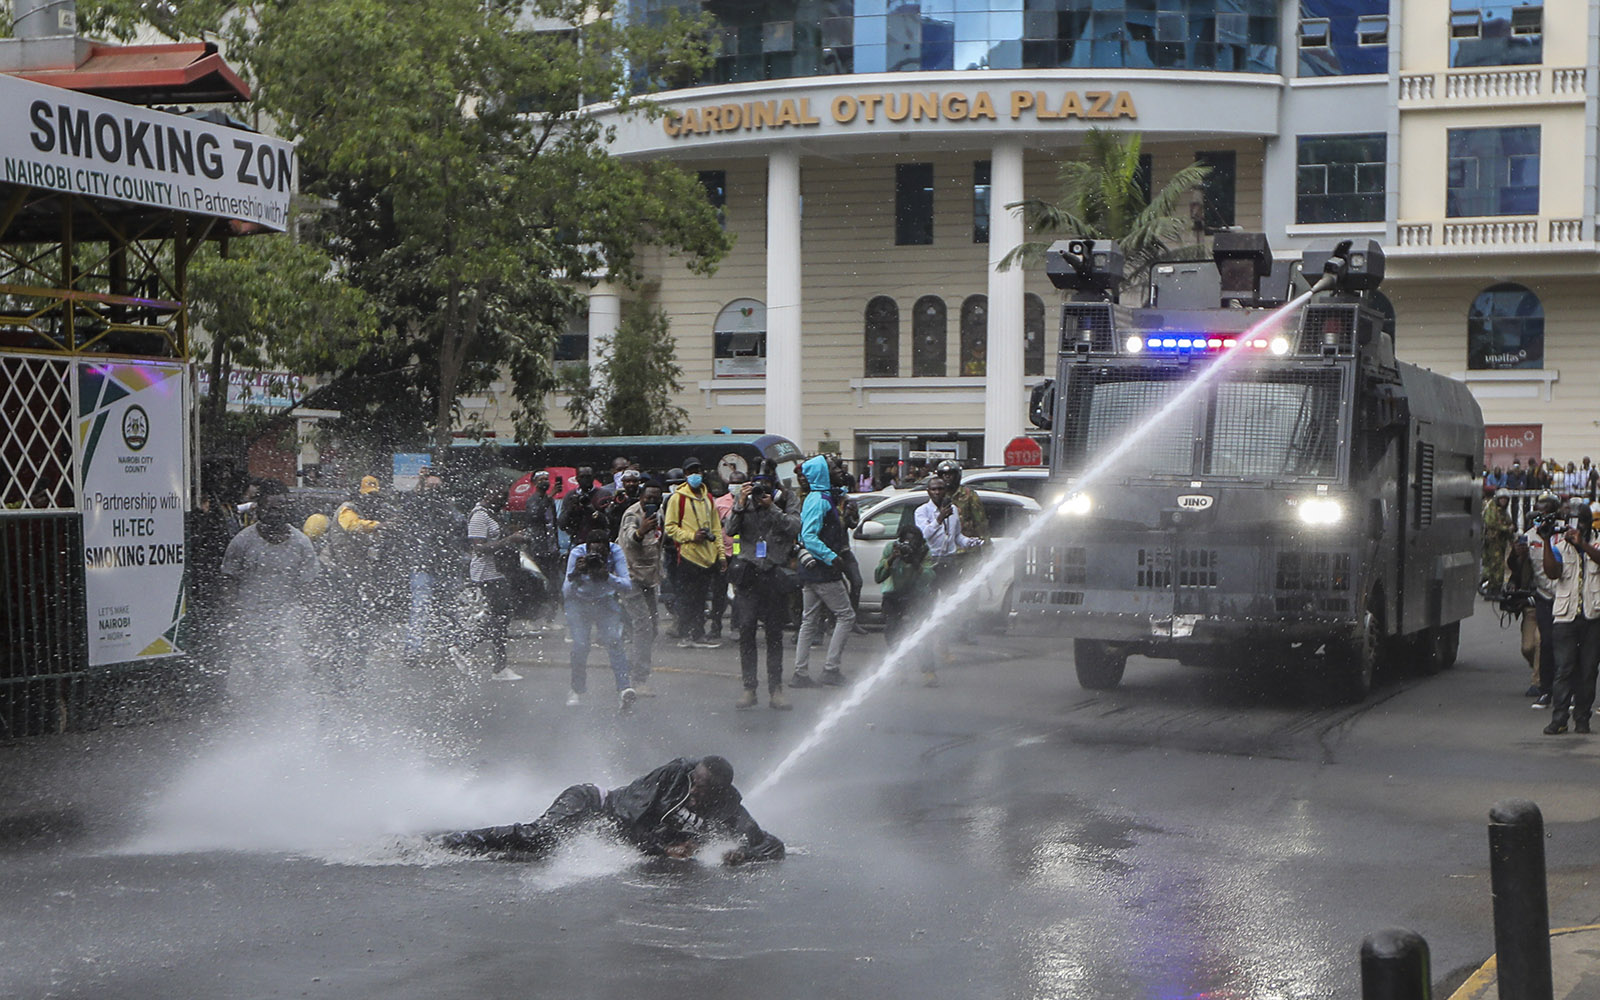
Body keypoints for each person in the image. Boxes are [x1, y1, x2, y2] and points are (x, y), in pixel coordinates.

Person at [434, 756, 783, 865]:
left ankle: (478, 849)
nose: (692, 792)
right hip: (591, 804)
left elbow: (771, 845)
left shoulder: (729, 807)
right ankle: (449, 841)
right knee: (538, 837)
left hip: (607, 829)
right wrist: (664, 848)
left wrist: (742, 854)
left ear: (719, 793)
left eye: (702, 790)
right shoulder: (670, 776)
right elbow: (627, 824)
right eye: (693, 782)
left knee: (534, 855)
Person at [218, 480, 320, 684]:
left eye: (281, 507)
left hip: (287, 621)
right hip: (250, 620)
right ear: (258, 508)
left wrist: (311, 626)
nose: (276, 513)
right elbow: (228, 580)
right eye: (270, 507)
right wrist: (233, 616)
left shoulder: (301, 544)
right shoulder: (242, 541)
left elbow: (309, 588)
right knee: (253, 675)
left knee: (287, 673)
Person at [725, 478, 800, 709]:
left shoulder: (785, 500)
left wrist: (772, 507)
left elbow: (794, 527)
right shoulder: (744, 503)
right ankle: (749, 688)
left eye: (764, 490)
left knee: (774, 634)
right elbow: (729, 530)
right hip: (749, 575)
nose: (760, 494)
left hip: (773, 573)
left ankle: (776, 689)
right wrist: (740, 503)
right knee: (746, 629)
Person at [791, 455, 856, 688]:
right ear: (821, 474)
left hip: (811, 570)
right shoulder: (820, 500)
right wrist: (832, 557)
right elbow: (808, 536)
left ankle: (800, 672)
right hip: (823, 570)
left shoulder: (816, 497)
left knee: (808, 621)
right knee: (846, 616)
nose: (836, 470)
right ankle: (831, 668)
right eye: (830, 468)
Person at [563, 524, 636, 711]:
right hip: (579, 602)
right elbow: (565, 591)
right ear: (586, 548)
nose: (596, 556)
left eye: (601, 553)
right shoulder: (576, 553)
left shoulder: (616, 551)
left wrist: (607, 576)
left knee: (614, 641)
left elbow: (627, 585)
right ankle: (576, 688)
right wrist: (577, 573)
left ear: (608, 549)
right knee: (580, 645)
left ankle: (624, 689)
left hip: (605, 601)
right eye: (592, 552)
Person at [1541, 502, 1600, 735]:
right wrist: (1546, 541)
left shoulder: (1595, 542)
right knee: (1564, 669)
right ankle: (1559, 718)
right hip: (1565, 617)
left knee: (1587, 671)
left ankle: (1582, 718)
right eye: (1571, 522)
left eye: (1580, 522)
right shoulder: (1559, 544)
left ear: (1588, 524)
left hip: (1593, 617)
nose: (1575, 526)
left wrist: (1582, 544)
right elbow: (1552, 572)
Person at [400, 472, 466, 665]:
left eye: (437, 487)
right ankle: (413, 650)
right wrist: (420, 487)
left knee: (449, 608)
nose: (434, 492)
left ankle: (454, 645)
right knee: (420, 609)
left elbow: (461, 527)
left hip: (445, 566)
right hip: (423, 566)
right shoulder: (418, 507)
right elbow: (408, 505)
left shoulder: (449, 510)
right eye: (431, 487)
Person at [463, 483, 526, 681]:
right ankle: (464, 644)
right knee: (500, 616)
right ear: (490, 494)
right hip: (485, 574)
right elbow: (479, 548)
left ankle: (499, 665)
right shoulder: (479, 516)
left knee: (502, 616)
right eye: (502, 496)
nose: (504, 501)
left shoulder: (490, 514)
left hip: (497, 572)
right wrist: (510, 540)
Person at [663, 456, 726, 649]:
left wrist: (721, 555)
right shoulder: (677, 499)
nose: (695, 475)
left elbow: (716, 529)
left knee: (701, 598)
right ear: (685, 475)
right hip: (689, 556)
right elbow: (670, 527)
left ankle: (698, 633)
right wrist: (691, 536)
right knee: (688, 598)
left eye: (697, 471)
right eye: (691, 472)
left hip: (708, 557)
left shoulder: (708, 498)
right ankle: (687, 633)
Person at [875, 525, 940, 687]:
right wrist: (891, 559)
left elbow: (929, 577)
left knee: (922, 632)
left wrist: (915, 563)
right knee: (892, 632)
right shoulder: (891, 548)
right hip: (893, 594)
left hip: (916, 595)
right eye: (906, 541)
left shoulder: (924, 551)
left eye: (913, 541)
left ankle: (928, 671)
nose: (909, 545)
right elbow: (878, 576)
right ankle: (899, 667)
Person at [618, 483, 666, 695]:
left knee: (652, 628)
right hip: (631, 577)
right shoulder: (632, 515)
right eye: (648, 498)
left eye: (656, 498)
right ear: (640, 497)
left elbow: (659, 544)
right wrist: (641, 531)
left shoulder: (660, 515)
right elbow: (629, 538)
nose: (651, 502)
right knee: (643, 626)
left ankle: (629, 663)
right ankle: (638, 679)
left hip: (649, 578)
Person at [1521, 492, 1561, 707]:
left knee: (1567, 645)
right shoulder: (1530, 536)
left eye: (1545, 513)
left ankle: (1567, 689)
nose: (1541, 518)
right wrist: (1517, 555)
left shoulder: (1565, 534)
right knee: (1545, 642)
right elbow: (1518, 567)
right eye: (1538, 513)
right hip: (1544, 597)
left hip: (1566, 596)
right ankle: (1545, 689)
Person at [708, 471, 745, 640]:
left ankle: (736, 626)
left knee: (739, 593)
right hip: (723, 553)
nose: (735, 486)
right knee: (719, 592)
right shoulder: (720, 502)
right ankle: (715, 626)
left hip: (742, 554)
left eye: (739, 483)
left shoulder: (750, 501)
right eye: (733, 482)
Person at [1482, 488, 1515, 597]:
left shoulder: (1504, 512)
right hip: (1492, 542)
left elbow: (1509, 523)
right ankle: (1492, 589)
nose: (1503, 501)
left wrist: (1512, 538)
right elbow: (1490, 522)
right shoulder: (1492, 508)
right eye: (1502, 499)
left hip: (1501, 543)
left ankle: (1495, 589)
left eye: (1505, 499)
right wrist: (1506, 528)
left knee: (1498, 567)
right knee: (1495, 567)